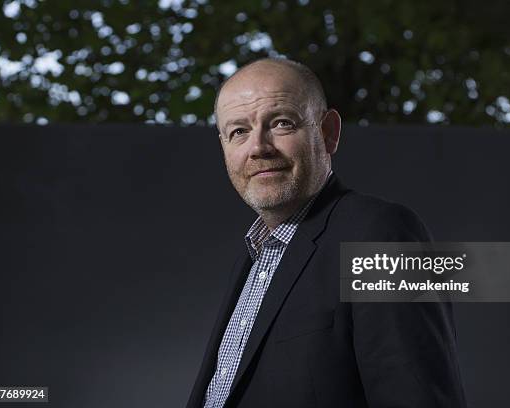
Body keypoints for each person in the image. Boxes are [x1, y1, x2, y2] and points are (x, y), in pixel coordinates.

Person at [187, 58, 466, 408]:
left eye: (282, 123)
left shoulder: (382, 235)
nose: (258, 147)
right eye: (238, 131)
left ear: (328, 132)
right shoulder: (253, 257)